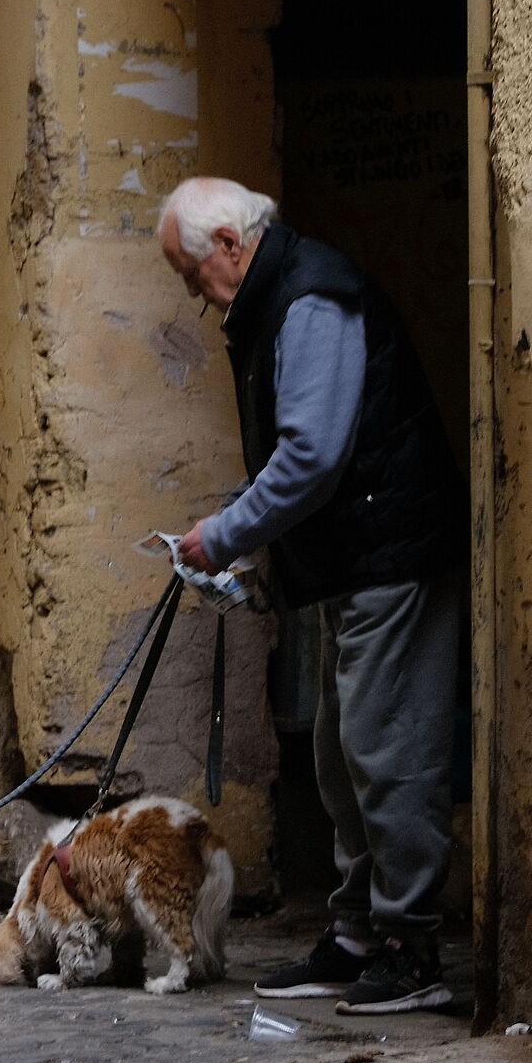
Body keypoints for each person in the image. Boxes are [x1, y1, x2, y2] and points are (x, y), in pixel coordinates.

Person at [156, 176, 467, 1015]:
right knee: (339, 754)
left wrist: (223, 534)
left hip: (388, 552)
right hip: (354, 558)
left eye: (190, 272)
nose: (192, 292)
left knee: (386, 748)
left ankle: (411, 947)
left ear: (228, 243)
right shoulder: (279, 297)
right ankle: (360, 931)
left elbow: (310, 458)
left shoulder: (310, 299)